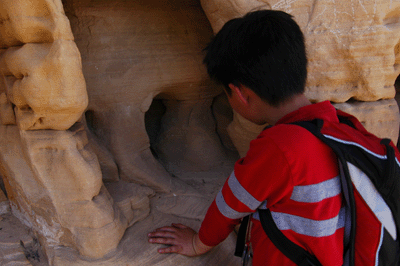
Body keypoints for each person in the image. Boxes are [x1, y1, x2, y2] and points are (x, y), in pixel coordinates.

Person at [148, 10, 345, 265]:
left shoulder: (278, 147)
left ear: (239, 94)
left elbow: (231, 204)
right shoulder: (336, 123)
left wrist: (197, 243)